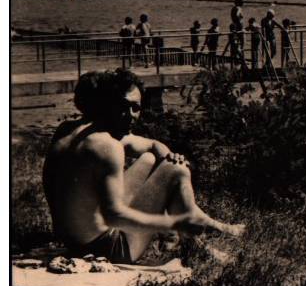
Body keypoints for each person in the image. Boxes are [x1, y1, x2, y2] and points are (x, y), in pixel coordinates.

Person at [42, 69, 244, 264]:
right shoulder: (108, 147)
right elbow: (115, 215)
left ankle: (199, 225)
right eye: (122, 107)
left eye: (136, 108)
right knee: (177, 169)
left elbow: (151, 146)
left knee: (150, 159)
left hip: (71, 242)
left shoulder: (66, 131)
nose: (131, 115)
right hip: (111, 248)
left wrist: (168, 159)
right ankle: (195, 239)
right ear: (107, 105)